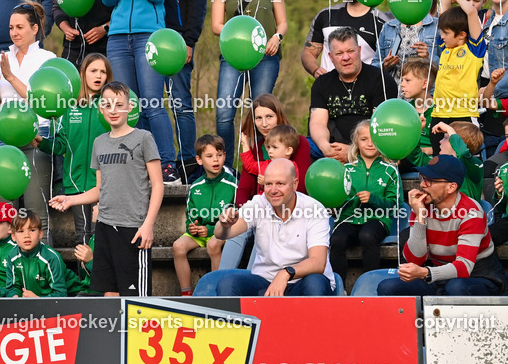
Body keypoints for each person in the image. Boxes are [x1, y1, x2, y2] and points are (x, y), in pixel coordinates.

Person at [50, 81, 163, 297]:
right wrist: (71, 200)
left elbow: (158, 185)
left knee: (135, 300)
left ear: (129, 107)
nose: (113, 110)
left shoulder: (143, 138)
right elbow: (100, 189)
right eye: (108, 104)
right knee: (109, 296)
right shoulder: (99, 143)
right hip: (104, 229)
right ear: (101, 108)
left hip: (133, 230)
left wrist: (148, 225)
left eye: (119, 104)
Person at [99, 0, 178, 181]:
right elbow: (110, 0)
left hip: (150, 37)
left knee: (152, 103)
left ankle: (168, 163)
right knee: (128, 105)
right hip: (119, 38)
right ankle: (140, 163)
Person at [378, 155, 507, 296]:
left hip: (480, 276)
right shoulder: (421, 206)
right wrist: (420, 216)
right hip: (440, 277)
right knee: (387, 287)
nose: (422, 185)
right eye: (422, 177)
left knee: (456, 287)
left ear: (451, 187)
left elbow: (463, 268)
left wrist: (425, 272)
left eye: (430, 180)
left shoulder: (471, 212)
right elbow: (415, 259)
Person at [0, 1, 56, 233]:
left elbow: (43, 103)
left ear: (35, 29)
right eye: (11, 27)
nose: (14, 32)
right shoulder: (3, 58)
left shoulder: (47, 59)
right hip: (4, 142)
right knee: (4, 213)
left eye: (20, 27)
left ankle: (43, 268)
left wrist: (10, 77)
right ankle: (6, 267)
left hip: (36, 138)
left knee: (36, 212)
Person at [210, 0, 287, 166]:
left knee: (261, 114)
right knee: (224, 113)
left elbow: (282, 23)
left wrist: (276, 37)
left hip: (265, 57)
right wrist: (242, 36)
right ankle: (225, 167)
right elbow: (216, 26)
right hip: (233, 56)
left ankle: (260, 166)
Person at [214, 159, 337, 296]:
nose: (273, 190)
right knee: (227, 283)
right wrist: (224, 225)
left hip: (303, 281)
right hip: (265, 281)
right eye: (268, 184)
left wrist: (285, 274)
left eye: (280, 184)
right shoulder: (259, 204)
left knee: (315, 282)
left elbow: (318, 262)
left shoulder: (314, 209)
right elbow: (222, 234)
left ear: (295, 184)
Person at [154, 0, 210, 178]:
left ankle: (188, 162)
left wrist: (189, 41)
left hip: (177, 41)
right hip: (148, 40)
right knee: (149, 103)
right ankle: (156, 162)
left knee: (180, 103)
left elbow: (198, 3)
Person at [35, 52, 110, 244]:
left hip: (105, 183)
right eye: (93, 71)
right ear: (82, 74)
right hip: (76, 183)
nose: (98, 76)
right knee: (83, 235)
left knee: (102, 236)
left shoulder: (111, 107)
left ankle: (101, 275)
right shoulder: (68, 108)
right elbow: (60, 146)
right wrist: (40, 141)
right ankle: (85, 275)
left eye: (103, 72)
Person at [308, 27, 398, 162]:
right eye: (339, 53)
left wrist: (353, 152)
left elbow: (382, 128)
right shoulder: (322, 83)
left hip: (370, 147)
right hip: (332, 146)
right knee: (300, 144)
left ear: (359, 51)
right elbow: (318, 122)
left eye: (350, 51)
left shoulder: (381, 80)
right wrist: (325, 147)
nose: (346, 57)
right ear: (331, 57)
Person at [331, 121, 400, 281]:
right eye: (364, 139)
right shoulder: (346, 169)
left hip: (377, 219)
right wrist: (340, 202)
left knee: (367, 235)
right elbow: (337, 200)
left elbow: (395, 203)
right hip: (349, 219)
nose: (370, 144)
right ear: (356, 142)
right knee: (337, 239)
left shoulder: (390, 170)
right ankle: (337, 285)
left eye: (374, 139)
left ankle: (371, 283)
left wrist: (373, 199)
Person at [173, 134, 236, 296]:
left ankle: (216, 289)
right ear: (199, 160)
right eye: (209, 156)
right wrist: (192, 227)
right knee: (178, 246)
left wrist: (209, 230)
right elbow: (190, 214)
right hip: (200, 233)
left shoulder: (232, 184)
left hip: (223, 232)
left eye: (219, 155)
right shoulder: (196, 186)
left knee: (213, 245)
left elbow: (236, 215)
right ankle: (186, 292)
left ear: (224, 156)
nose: (215, 160)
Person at [302, 0, 389, 76]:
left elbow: (388, 62)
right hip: (329, 89)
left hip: (365, 90)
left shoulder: (382, 23)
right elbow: (308, 52)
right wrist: (315, 70)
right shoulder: (326, 15)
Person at [428, 0, 484, 153]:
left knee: (462, 159)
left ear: (462, 34)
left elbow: (472, 12)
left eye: (446, 33)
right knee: (440, 158)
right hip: (439, 115)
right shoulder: (445, 48)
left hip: (463, 116)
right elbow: (443, 12)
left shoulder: (474, 50)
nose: (442, 36)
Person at [235, 94, 310, 205]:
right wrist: (247, 213)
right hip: (260, 210)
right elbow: (243, 190)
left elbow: (300, 187)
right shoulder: (256, 149)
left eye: (269, 117)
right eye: (259, 118)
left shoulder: (300, 142)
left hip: (290, 207)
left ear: (278, 116)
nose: (264, 124)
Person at [373, 0, 439, 82]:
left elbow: (449, 67)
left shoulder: (437, 26)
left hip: (425, 96)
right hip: (394, 95)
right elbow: (374, 66)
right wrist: (385, 65)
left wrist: (429, 57)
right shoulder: (389, 27)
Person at [4, 208, 67, 298]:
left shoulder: (51, 257)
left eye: (32, 230)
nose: (27, 236)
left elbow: (61, 294)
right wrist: (14, 297)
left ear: (40, 233)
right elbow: (12, 287)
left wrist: (37, 299)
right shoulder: (12, 256)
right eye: (21, 231)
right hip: (32, 301)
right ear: (13, 236)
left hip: (66, 301)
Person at [240, 123, 305, 200]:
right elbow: (249, 165)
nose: (270, 151)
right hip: (263, 205)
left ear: (288, 151)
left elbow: (290, 186)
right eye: (268, 147)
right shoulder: (265, 164)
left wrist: (267, 182)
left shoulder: (291, 167)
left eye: (274, 147)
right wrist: (245, 144)